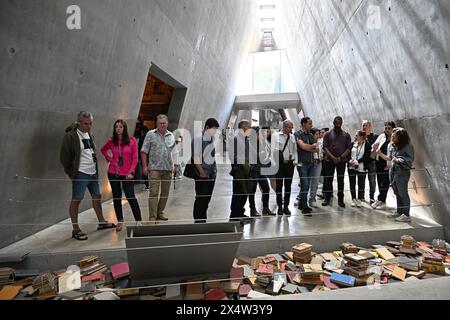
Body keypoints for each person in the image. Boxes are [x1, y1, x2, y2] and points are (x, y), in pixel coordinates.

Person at [60, 111, 115, 241]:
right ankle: (76, 229)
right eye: (86, 124)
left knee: (97, 196)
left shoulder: (89, 134)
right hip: (81, 173)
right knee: (77, 199)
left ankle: (101, 222)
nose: (89, 126)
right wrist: (72, 173)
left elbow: (91, 152)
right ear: (79, 122)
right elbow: (64, 158)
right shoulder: (70, 136)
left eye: (90, 123)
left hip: (93, 172)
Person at [101, 120, 142, 231]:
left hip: (127, 173)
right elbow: (103, 150)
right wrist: (109, 159)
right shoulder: (112, 141)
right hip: (113, 172)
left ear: (124, 128)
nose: (118, 128)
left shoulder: (132, 141)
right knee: (117, 197)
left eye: (120, 126)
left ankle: (138, 220)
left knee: (130, 196)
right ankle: (120, 221)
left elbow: (135, 158)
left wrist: (131, 172)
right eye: (116, 127)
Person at [141, 115, 176, 223]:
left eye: (164, 123)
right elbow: (144, 151)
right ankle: (152, 216)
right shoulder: (150, 134)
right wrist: (144, 166)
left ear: (167, 123)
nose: (162, 125)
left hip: (167, 169)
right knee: (154, 193)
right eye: (160, 123)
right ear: (156, 124)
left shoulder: (171, 135)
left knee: (165, 192)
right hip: (154, 169)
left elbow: (174, 152)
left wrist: (175, 165)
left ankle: (160, 212)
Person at [377, 128, 415, 222]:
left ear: (400, 137)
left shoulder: (408, 146)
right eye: (392, 135)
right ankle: (399, 212)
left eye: (394, 136)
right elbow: (389, 158)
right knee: (397, 193)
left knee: (403, 193)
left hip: (402, 173)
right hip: (392, 172)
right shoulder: (392, 145)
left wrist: (399, 160)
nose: (392, 137)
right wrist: (380, 154)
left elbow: (410, 159)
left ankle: (406, 214)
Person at [192, 118, 220, 223]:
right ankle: (198, 221)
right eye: (213, 130)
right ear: (207, 127)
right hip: (202, 174)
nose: (215, 132)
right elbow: (196, 158)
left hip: (211, 174)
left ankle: (203, 220)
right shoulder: (198, 139)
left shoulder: (210, 139)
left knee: (207, 200)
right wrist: (202, 172)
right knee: (201, 199)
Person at [229, 120, 256, 222]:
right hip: (239, 171)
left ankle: (240, 212)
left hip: (247, 171)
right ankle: (234, 215)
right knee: (238, 193)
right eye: (249, 127)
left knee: (245, 192)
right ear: (243, 128)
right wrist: (244, 162)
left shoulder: (246, 139)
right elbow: (232, 156)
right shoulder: (235, 139)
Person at [322, 116, 352, 208]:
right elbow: (325, 147)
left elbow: (348, 148)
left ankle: (340, 200)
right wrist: (333, 157)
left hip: (341, 161)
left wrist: (340, 157)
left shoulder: (346, 135)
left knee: (340, 180)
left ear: (341, 123)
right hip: (329, 160)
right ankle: (327, 198)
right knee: (328, 180)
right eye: (336, 123)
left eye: (339, 123)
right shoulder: (327, 134)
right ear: (333, 123)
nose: (338, 124)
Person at [271, 120, 298, 215]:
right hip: (279, 164)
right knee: (279, 186)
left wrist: (295, 161)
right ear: (284, 126)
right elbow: (272, 151)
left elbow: (295, 150)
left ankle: (286, 206)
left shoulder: (292, 136)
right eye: (290, 127)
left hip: (290, 165)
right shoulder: (275, 136)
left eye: (292, 127)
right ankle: (279, 207)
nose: (291, 129)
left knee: (288, 186)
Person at [294, 117, 319, 215]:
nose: (311, 125)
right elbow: (302, 146)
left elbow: (316, 149)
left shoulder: (310, 135)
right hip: (302, 163)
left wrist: (308, 147)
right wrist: (310, 147)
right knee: (304, 185)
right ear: (303, 124)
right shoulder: (297, 134)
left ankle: (302, 204)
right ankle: (304, 206)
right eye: (309, 123)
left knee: (307, 185)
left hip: (311, 163)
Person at [248, 127, 274, 216]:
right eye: (259, 133)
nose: (261, 135)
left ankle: (265, 208)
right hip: (253, 170)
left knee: (266, 188)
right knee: (252, 190)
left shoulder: (261, 143)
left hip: (261, 169)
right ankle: (253, 209)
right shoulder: (250, 143)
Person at [371, 121, 396, 210]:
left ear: (393, 129)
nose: (387, 130)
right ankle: (380, 200)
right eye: (386, 128)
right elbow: (375, 144)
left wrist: (389, 165)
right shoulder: (382, 136)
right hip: (379, 163)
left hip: (387, 164)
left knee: (384, 183)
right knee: (379, 181)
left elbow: (393, 154)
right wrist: (374, 146)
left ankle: (382, 201)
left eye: (389, 128)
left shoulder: (394, 139)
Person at [347, 130, 371, 208]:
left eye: (357, 135)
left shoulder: (366, 145)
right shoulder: (352, 144)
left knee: (361, 184)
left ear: (361, 136)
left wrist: (358, 161)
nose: (355, 136)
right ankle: (353, 199)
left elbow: (367, 156)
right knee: (352, 183)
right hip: (351, 166)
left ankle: (360, 199)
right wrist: (350, 160)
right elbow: (348, 153)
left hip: (361, 167)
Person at [362, 120, 379, 204]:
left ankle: (371, 197)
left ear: (370, 126)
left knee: (372, 180)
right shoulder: (361, 136)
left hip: (372, 162)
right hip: (363, 162)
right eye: (363, 125)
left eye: (366, 125)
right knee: (361, 180)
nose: (364, 127)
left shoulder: (375, 136)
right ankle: (361, 196)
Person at [308, 128, 324, 209]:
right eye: (317, 134)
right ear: (312, 135)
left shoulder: (320, 142)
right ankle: (300, 198)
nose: (319, 135)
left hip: (318, 163)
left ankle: (312, 199)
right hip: (310, 163)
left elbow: (321, 152)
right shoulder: (308, 142)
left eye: (319, 134)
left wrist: (321, 156)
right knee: (306, 182)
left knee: (315, 181)